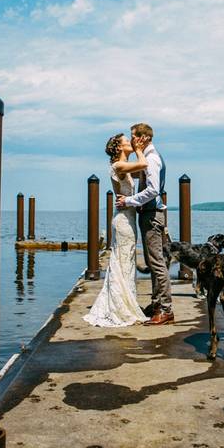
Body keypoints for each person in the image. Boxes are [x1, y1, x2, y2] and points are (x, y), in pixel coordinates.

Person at [83, 133, 150, 327]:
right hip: (123, 222)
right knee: (123, 262)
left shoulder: (125, 168)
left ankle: (127, 304)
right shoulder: (118, 166)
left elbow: (145, 170)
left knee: (126, 261)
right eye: (127, 142)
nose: (131, 143)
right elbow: (144, 165)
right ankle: (121, 308)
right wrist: (139, 150)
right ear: (120, 148)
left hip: (128, 218)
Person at [116, 123, 173, 325]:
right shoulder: (146, 157)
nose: (131, 140)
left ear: (144, 138)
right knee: (153, 262)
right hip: (148, 214)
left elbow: (153, 190)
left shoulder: (152, 159)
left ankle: (166, 310)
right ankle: (157, 304)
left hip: (152, 215)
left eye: (133, 136)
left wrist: (128, 201)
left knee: (157, 263)